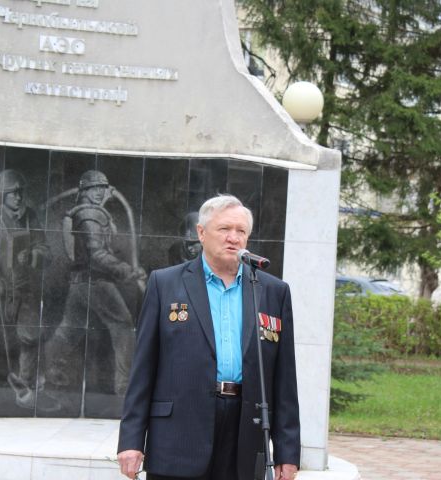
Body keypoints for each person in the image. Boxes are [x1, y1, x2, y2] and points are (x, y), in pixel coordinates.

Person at [117, 194, 300, 480]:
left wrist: (288, 452)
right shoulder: (165, 284)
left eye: (241, 231)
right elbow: (143, 369)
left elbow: (284, 378)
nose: (233, 238)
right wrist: (131, 440)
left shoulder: (271, 291)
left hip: (244, 431)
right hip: (179, 433)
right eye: (224, 229)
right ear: (201, 233)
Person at [0, 169, 59, 413]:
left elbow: (45, 248)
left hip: (24, 289)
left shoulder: (30, 217)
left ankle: (26, 390)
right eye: (13, 193)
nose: (18, 197)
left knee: (30, 337)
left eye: (20, 192)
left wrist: (34, 255)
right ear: (2, 194)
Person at [47, 170, 146, 397]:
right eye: (96, 188)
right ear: (85, 191)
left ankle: (45, 368)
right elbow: (96, 254)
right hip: (97, 282)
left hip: (79, 284)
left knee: (69, 329)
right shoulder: (91, 214)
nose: (101, 192)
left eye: (103, 187)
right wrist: (125, 270)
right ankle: (125, 387)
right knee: (123, 327)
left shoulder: (82, 212)